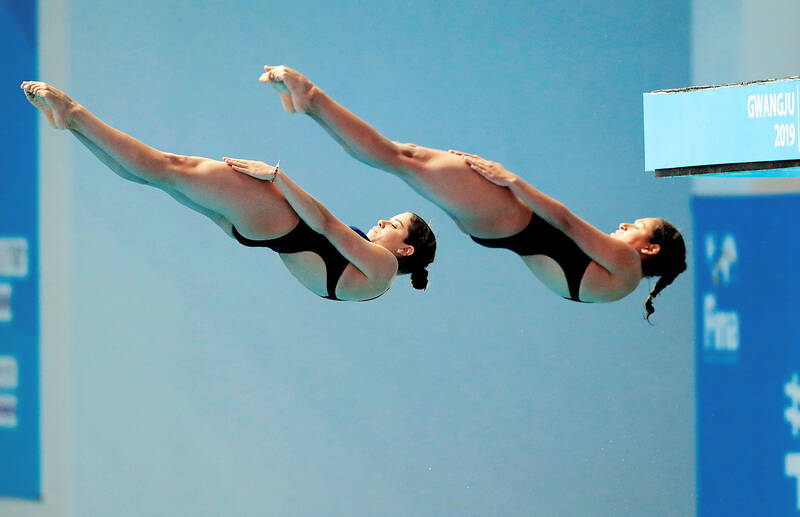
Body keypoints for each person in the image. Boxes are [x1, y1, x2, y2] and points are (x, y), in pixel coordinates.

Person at [260, 65, 686, 318]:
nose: (627, 224)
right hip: (500, 230)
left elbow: (567, 222)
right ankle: (307, 101)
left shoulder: (627, 265)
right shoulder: (616, 288)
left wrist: (511, 181)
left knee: (397, 156)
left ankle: (309, 96)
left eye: (640, 226)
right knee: (397, 158)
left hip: (512, 216)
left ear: (649, 250)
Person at [20, 81, 436, 302]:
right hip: (263, 235)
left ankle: (72, 111)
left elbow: (325, 224)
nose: (383, 222)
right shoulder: (371, 284)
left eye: (395, 225)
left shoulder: (382, 269)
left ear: (406, 251)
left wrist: (276, 177)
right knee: (156, 177)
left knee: (168, 167)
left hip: (280, 222)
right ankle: (71, 123)